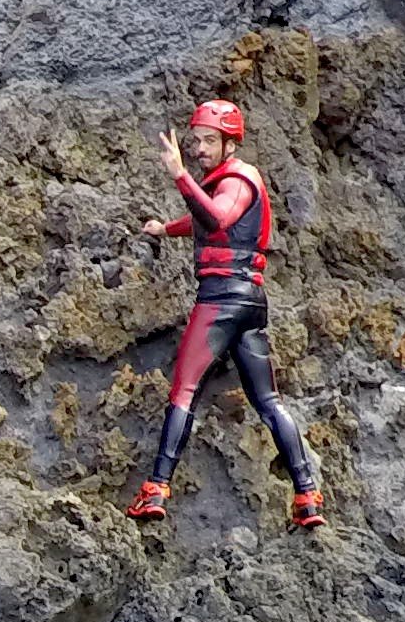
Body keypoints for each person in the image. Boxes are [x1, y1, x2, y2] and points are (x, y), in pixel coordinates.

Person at [127, 97, 324, 529]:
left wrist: (179, 175)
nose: (199, 149)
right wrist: (166, 228)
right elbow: (205, 221)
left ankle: (156, 488)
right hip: (249, 302)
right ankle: (307, 496)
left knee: (184, 390)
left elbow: (217, 218)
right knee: (268, 401)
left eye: (208, 141)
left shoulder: (239, 177)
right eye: (195, 141)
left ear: (230, 143)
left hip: (222, 299)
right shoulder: (225, 179)